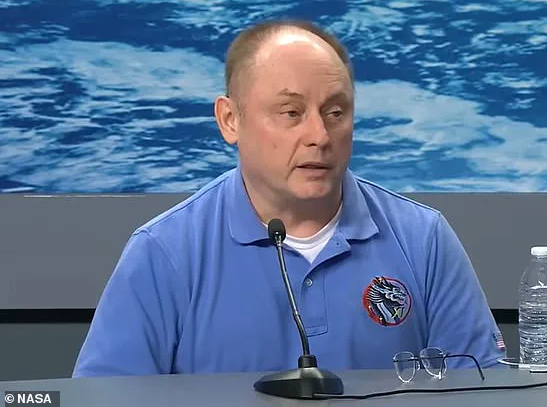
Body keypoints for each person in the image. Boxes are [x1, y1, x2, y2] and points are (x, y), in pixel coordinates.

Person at [72, 19, 506, 377]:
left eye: (335, 112)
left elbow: (485, 389)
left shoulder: (423, 239)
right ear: (230, 120)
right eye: (291, 113)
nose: (319, 136)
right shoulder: (165, 253)